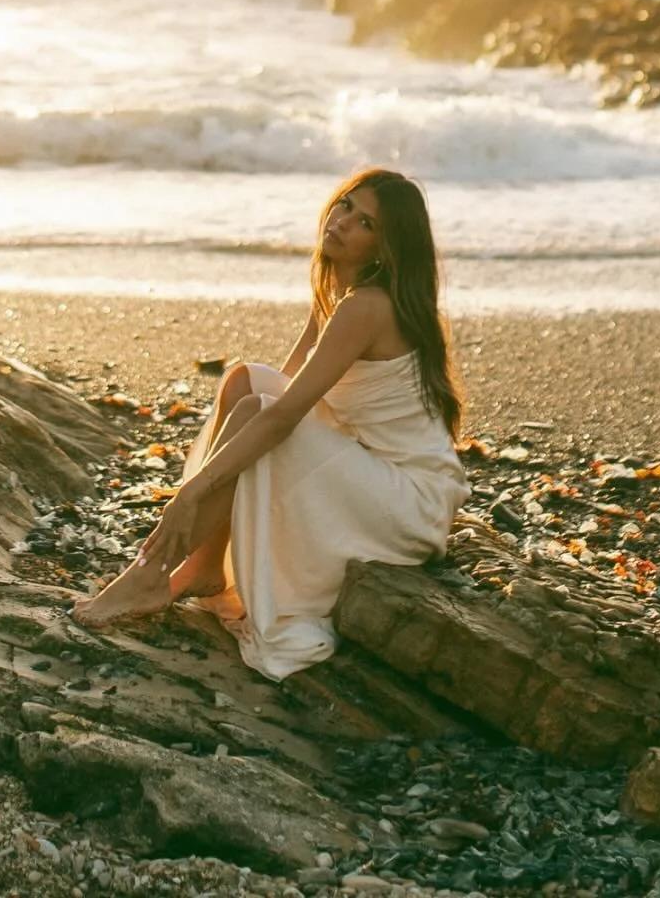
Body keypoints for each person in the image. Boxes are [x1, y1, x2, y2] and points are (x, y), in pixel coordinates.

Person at [72, 167, 470, 680]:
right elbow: (280, 387)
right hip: (369, 469)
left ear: (385, 248)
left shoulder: (368, 307)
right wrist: (217, 475)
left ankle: (149, 575)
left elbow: (283, 416)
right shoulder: (341, 295)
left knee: (256, 414)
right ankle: (206, 566)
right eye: (347, 205)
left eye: (365, 223)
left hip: (408, 503)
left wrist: (191, 494)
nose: (344, 222)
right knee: (243, 383)